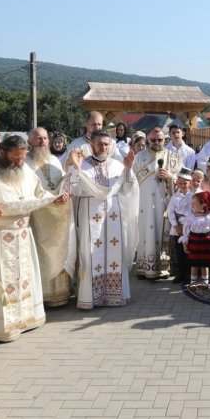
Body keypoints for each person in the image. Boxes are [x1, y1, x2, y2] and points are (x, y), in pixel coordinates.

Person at [0, 134, 66, 342]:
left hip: (23, 236)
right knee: (0, 282)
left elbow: (38, 194)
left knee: (23, 278)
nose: (19, 162)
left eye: (23, 158)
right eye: (15, 158)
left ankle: (25, 319)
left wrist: (55, 200)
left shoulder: (24, 170)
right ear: (1, 152)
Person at [65, 130, 139, 309]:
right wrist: (75, 168)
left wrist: (128, 169)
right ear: (91, 145)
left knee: (115, 254)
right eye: (100, 144)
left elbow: (128, 190)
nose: (103, 147)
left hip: (113, 216)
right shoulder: (83, 164)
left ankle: (114, 296)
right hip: (89, 216)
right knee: (89, 255)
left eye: (106, 144)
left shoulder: (117, 165)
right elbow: (71, 189)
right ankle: (91, 298)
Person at [25, 127, 75, 307]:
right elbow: (27, 191)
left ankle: (61, 294)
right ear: (29, 141)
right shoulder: (25, 164)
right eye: (38, 138)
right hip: (39, 217)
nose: (42, 141)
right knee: (40, 253)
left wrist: (66, 191)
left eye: (45, 138)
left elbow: (62, 182)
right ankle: (42, 296)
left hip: (57, 216)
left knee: (59, 247)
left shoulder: (54, 159)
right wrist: (52, 199)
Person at [132, 127, 181, 280]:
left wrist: (170, 176)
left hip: (164, 205)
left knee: (162, 231)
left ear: (164, 140)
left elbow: (182, 181)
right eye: (153, 140)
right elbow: (131, 182)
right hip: (143, 205)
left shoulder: (173, 158)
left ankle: (163, 267)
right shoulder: (139, 157)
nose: (156, 142)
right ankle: (143, 266)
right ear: (147, 140)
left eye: (160, 140)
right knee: (145, 234)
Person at [180, 191, 210, 290]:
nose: (192, 205)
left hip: (205, 242)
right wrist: (185, 243)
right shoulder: (190, 216)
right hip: (194, 242)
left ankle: (205, 282)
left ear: (204, 204)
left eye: (194, 203)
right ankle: (193, 282)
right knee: (194, 263)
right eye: (192, 203)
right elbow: (185, 231)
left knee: (204, 264)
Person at [166, 169, 194, 283]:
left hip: (189, 229)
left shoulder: (193, 196)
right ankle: (179, 273)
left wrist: (188, 226)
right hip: (177, 230)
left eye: (185, 183)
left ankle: (188, 275)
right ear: (177, 183)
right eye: (181, 183)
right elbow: (170, 212)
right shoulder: (174, 197)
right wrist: (176, 226)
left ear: (190, 183)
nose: (183, 185)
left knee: (189, 252)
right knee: (179, 253)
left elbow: (194, 211)